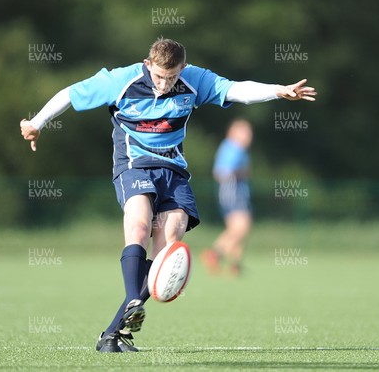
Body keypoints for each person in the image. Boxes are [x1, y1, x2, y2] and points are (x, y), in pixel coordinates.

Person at [20, 38, 317, 353]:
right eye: (159, 76)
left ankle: (113, 334)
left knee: (168, 248)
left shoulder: (194, 80)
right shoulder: (121, 80)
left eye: (172, 77)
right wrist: (37, 123)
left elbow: (235, 90)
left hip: (173, 173)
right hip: (134, 166)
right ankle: (133, 300)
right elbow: (70, 93)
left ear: (182, 69)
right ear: (148, 65)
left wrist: (278, 90)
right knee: (139, 226)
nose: (164, 84)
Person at [201, 119, 253, 276]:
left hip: (237, 191)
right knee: (242, 227)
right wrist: (239, 174)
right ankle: (214, 254)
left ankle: (234, 264)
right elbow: (222, 172)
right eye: (244, 132)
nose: (248, 137)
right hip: (232, 191)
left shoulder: (236, 148)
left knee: (236, 228)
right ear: (233, 133)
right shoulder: (232, 148)